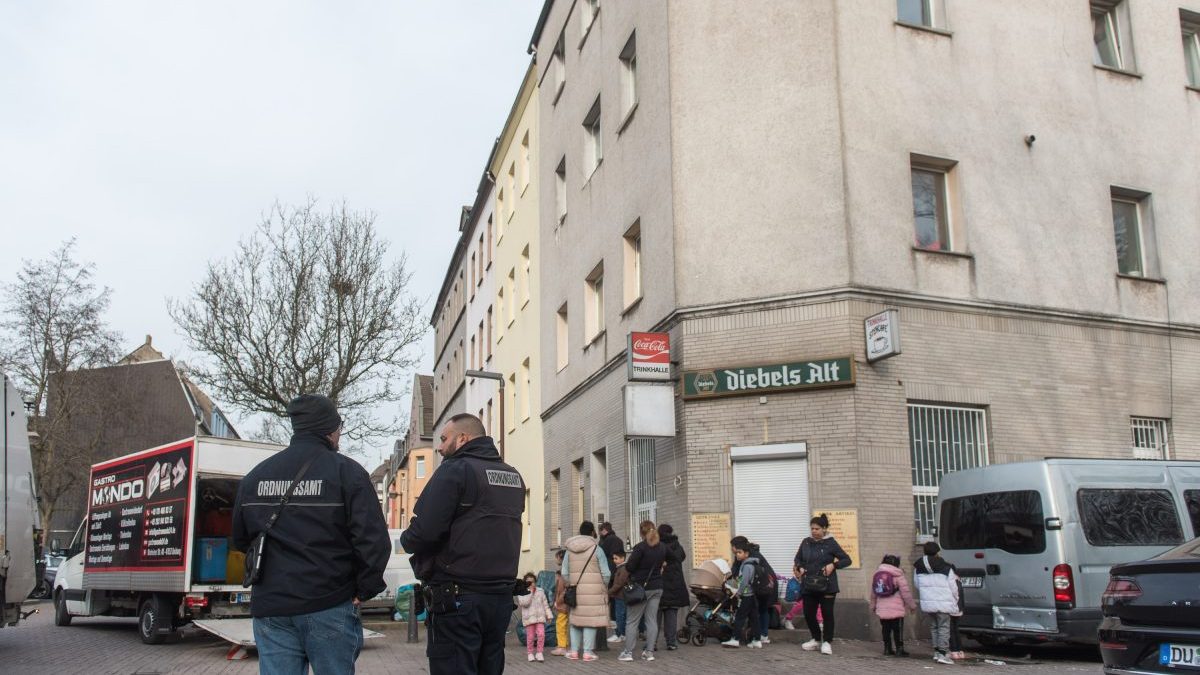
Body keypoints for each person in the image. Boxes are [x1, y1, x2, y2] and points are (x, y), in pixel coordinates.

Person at [232, 394, 390, 675]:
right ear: (329, 429)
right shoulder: (348, 473)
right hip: (328, 602)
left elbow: (241, 539)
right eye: (339, 426)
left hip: (272, 606)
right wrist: (364, 589)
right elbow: (373, 541)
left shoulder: (255, 477)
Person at [400, 413, 526, 675]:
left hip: (458, 599)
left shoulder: (455, 470)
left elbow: (424, 531)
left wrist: (406, 540)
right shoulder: (513, 476)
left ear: (463, 439)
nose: (440, 446)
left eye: (444, 439)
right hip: (500, 599)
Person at [793, 513, 852, 656]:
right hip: (809, 585)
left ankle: (827, 642)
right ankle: (816, 638)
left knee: (827, 614)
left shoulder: (830, 543)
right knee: (808, 614)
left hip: (827, 585)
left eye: (817, 529)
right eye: (812, 528)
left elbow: (847, 560)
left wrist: (833, 565)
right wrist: (800, 566)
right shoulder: (806, 542)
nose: (814, 531)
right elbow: (798, 558)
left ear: (824, 529)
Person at [562, 523, 612, 661]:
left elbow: (564, 572)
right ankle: (587, 652)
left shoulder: (569, 550)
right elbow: (606, 573)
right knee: (590, 620)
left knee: (575, 620)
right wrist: (603, 586)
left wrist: (571, 583)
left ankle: (573, 651)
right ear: (591, 533)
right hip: (594, 591)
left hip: (575, 590)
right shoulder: (597, 549)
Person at [619, 520, 667, 662]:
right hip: (657, 587)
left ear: (641, 532)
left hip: (640, 589)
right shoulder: (662, 547)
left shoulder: (640, 547)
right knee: (651, 620)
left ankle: (628, 652)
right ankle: (649, 652)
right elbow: (674, 558)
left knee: (632, 621)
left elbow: (631, 567)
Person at [914, 542, 959, 666]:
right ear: (937, 552)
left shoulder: (918, 567)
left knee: (934, 626)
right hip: (944, 602)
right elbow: (953, 586)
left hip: (929, 602)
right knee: (944, 627)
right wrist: (956, 599)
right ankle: (943, 654)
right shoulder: (946, 567)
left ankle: (936, 652)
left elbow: (917, 585)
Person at [869, 554, 916, 657]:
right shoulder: (899, 575)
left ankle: (887, 649)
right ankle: (900, 649)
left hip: (882, 609)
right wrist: (912, 606)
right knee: (898, 630)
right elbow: (906, 593)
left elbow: (873, 593)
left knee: (885, 630)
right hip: (897, 610)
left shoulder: (877, 575)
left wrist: (873, 606)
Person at [721, 540, 763, 648]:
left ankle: (735, 639)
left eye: (740, 552)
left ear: (746, 554)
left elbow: (744, 581)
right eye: (736, 553)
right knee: (754, 618)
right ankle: (757, 640)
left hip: (746, 595)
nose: (737, 555)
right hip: (751, 595)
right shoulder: (751, 564)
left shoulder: (747, 566)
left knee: (740, 617)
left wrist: (738, 593)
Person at [657, 524, 689, 651]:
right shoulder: (678, 546)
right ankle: (671, 642)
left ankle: (652, 642)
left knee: (655, 615)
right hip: (675, 585)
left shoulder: (658, 546)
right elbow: (682, 558)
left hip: (660, 584)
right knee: (671, 614)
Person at [516, 572, 554, 662]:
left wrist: (549, 615)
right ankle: (530, 653)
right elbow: (524, 603)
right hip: (529, 618)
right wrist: (530, 593)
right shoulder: (522, 591)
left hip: (540, 618)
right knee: (530, 637)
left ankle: (539, 652)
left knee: (541, 634)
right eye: (528, 582)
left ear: (535, 582)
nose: (531, 584)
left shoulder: (540, 591)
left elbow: (545, 604)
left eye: (532, 582)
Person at [607, 550, 628, 643]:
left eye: (616, 558)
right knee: (620, 616)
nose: (614, 560)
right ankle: (621, 634)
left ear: (623, 558)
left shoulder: (623, 569)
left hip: (621, 596)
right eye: (613, 558)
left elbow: (619, 583)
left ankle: (620, 634)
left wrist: (609, 592)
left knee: (620, 616)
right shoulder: (620, 568)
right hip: (619, 596)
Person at [552, 549, 570, 656]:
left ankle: (562, 646)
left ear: (561, 557)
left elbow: (564, 590)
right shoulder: (564, 571)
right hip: (563, 603)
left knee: (560, 625)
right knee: (563, 624)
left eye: (557, 557)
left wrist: (558, 601)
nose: (556, 560)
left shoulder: (564, 572)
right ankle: (564, 644)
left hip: (563, 604)